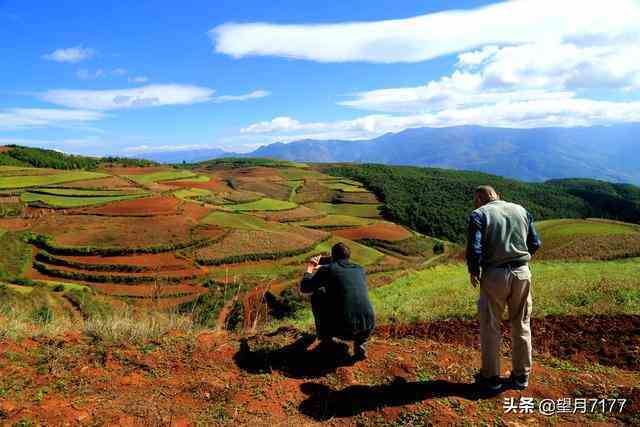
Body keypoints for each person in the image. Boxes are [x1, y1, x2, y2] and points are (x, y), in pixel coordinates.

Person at [466, 185, 542, 391]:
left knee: (491, 325)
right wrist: (519, 259)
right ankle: (521, 376)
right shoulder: (521, 210)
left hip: (495, 274)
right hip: (522, 272)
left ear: (480, 198)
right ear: (497, 195)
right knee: (522, 323)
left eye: (476, 200)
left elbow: (475, 248)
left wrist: (474, 270)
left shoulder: (479, 214)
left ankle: (491, 378)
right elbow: (535, 242)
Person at [300, 242, 375, 360]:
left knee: (318, 293)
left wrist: (310, 268)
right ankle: (361, 342)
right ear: (348, 256)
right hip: (367, 326)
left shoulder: (327, 270)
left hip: (343, 330)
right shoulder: (360, 269)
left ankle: (326, 339)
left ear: (332, 256)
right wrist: (327, 264)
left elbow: (305, 288)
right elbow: (340, 271)